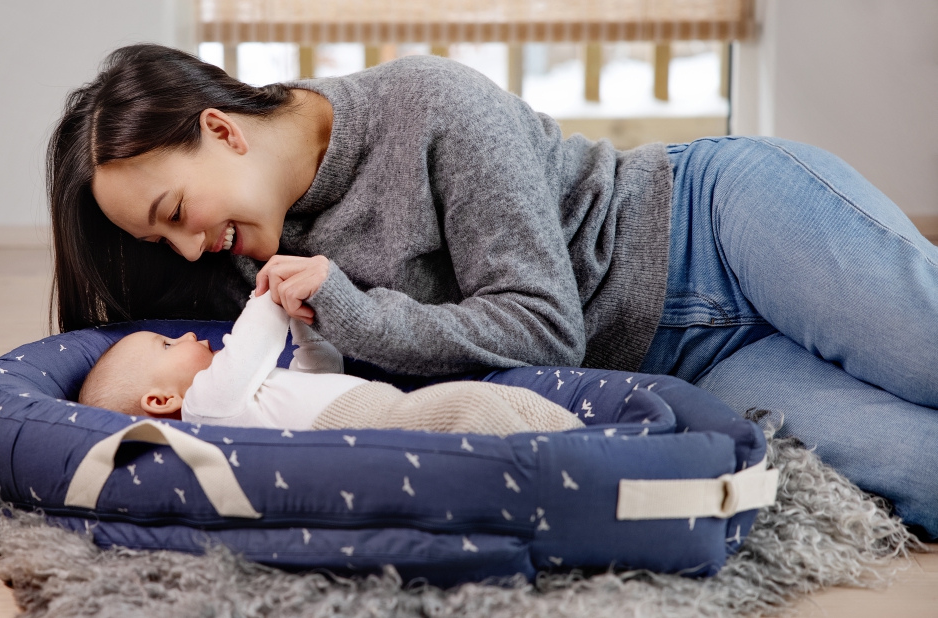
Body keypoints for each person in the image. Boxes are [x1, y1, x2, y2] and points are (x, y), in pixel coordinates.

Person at [48, 44, 938, 538]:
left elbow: (545, 328)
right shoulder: (251, 274)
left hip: (717, 221)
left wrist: (353, 310)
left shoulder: (428, 103)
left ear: (220, 131)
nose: (188, 245)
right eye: (158, 239)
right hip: (685, 365)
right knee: (918, 474)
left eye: (174, 209)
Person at [77, 291, 583, 437]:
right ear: (162, 400)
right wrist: (268, 297)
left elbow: (319, 376)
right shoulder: (208, 411)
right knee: (472, 408)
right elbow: (249, 346)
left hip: (380, 407)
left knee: (501, 399)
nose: (187, 335)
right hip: (375, 422)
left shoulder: (247, 402)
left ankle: (583, 442)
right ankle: (566, 465)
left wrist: (303, 327)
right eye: (168, 345)